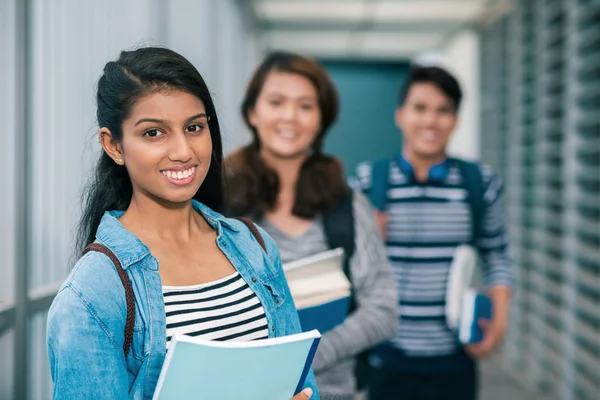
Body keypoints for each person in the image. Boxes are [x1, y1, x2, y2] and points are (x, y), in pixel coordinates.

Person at [46, 47, 318, 400]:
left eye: (194, 127)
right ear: (113, 145)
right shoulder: (91, 295)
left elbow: (302, 383)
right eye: (153, 133)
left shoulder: (255, 246)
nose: (183, 151)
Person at [225, 51, 398, 400]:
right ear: (252, 112)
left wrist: (297, 361)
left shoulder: (348, 205)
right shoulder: (217, 203)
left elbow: (384, 309)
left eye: (306, 105)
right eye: (276, 102)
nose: (290, 116)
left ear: (321, 120)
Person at [352, 65, 516, 399]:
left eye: (443, 111)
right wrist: (369, 241)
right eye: (420, 108)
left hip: (456, 360)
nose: (430, 121)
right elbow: (344, 267)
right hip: (386, 358)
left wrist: (499, 322)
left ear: (456, 120)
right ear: (400, 115)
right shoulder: (368, 181)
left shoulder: (480, 183)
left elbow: (497, 255)